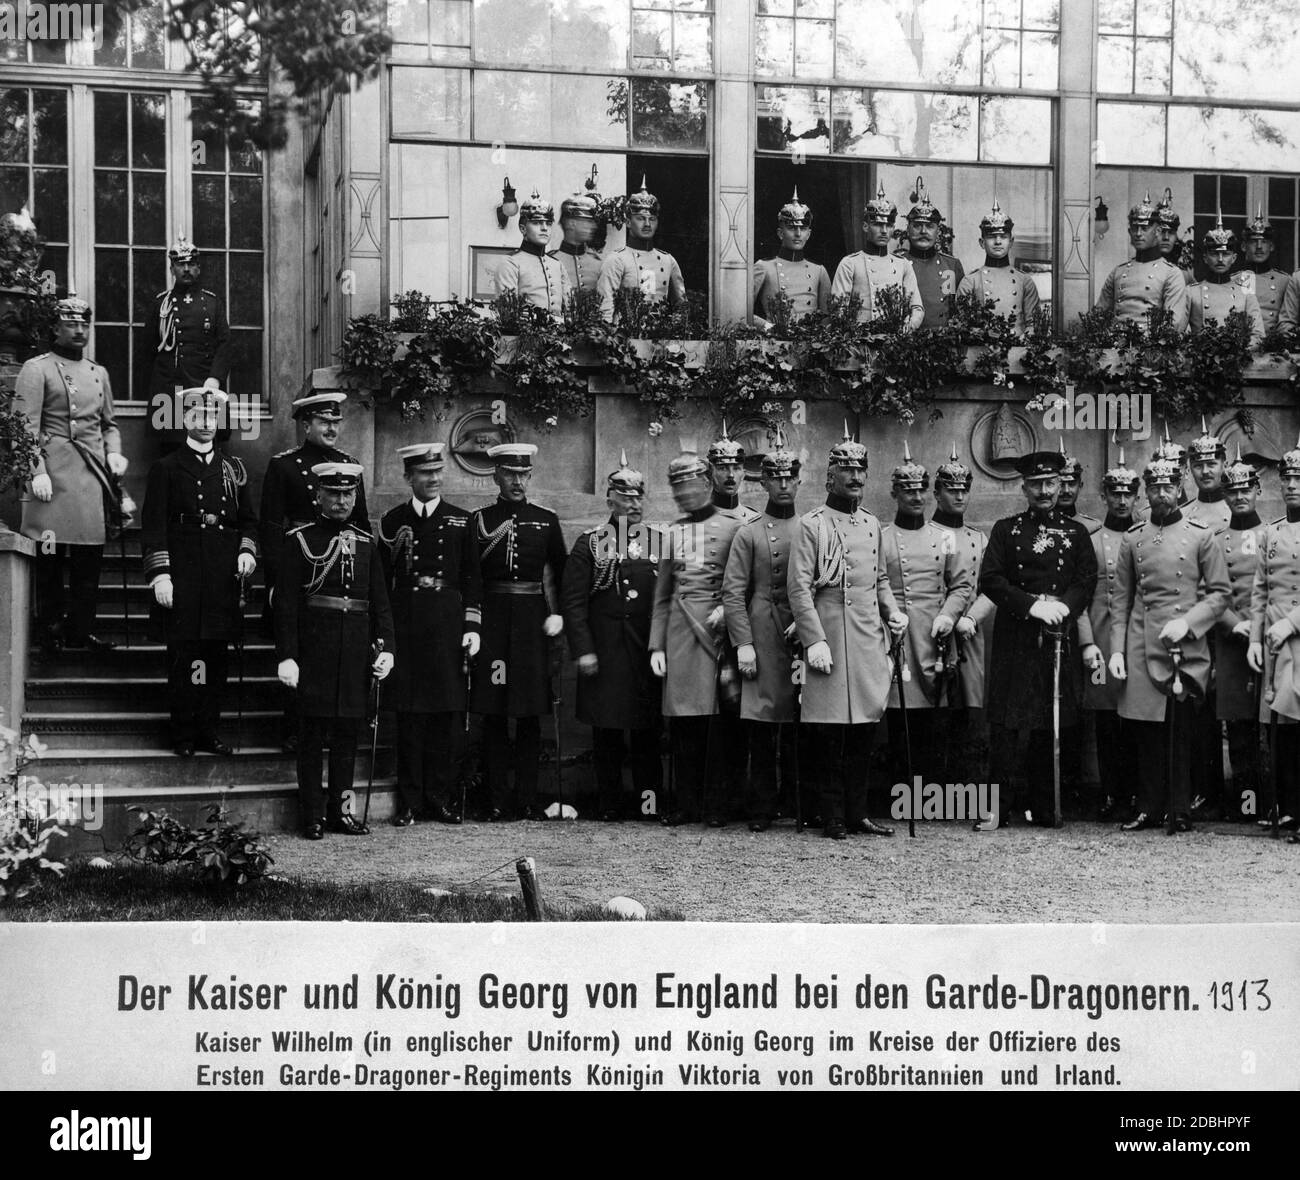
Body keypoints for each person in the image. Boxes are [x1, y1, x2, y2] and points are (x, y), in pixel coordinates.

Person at [787, 428, 907, 839]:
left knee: (864, 732)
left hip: (867, 639)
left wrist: (894, 614)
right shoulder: (813, 525)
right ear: (830, 476)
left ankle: (858, 813)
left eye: (861, 471)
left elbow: (880, 580)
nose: (855, 478)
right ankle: (831, 815)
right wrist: (813, 639)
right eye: (846, 470)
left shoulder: (873, 524)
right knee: (829, 731)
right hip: (831, 636)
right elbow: (799, 588)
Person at [275, 462, 395, 840]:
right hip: (315, 653)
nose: (341, 500)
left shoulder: (366, 543)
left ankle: (340, 814)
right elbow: (286, 606)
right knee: (311, 739)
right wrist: (287, 655)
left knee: (347, 739)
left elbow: (381, 603)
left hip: (355, 653)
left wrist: (387, 648)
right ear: (319, 496)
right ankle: (310, 815)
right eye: (334, 493)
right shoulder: (299, 541)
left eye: (348, 494)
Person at [978, 451, 1098, 829]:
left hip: (1057, 636)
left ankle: (1045, 806)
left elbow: (1085, 580)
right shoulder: (1005, 530)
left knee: (1052, 719)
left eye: (1050, 483)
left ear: (1061, 485)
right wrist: (1031, 606)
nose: (1044, 491)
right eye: (1036, 485)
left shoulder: (1076, 533)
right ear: (1024, 488)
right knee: (1006, 724)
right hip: (1017, 635)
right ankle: (996, 808)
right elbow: (992, 581)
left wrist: (1064, 607)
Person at [1110, 457, 1230, 833]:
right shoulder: (1133, 538)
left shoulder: (1200, 535)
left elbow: (1219, 595)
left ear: (1180, 489)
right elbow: (1120, 601)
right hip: (1141, 641)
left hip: (1183, 642)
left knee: (1181, 730)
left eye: (1168, 487)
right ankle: (1147, 806)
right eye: (1155, 488)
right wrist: (1116, 650)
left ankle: (1179, 808)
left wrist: (1188, 623)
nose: (1162, 494)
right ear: (1146, 492)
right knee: (1145, 730)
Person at [142, 388, 257, 758]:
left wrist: (246, 552)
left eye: (212, 416)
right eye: (198, 415)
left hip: (222, 578)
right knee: (184, 658)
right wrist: (161, 574)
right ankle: (184, 734)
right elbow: (154, 526)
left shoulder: (233, 470)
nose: (206, 422)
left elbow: (249, 523)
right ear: (185, 420)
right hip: (184, 577)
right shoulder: (167, 467)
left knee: (215, 659)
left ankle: (210, 731)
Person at [377, 443, 482, 827]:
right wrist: (384, 636)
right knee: (409, 720)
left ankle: (440, 798)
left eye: (438, 473)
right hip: (407, 628)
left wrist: (472, 626)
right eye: (425, 474)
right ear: (409, 477)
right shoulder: (391, 522)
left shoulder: (461, 520)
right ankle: (409, 801)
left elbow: (472, 579)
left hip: (446, 626)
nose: (434, 479)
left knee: (444, 719)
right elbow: (382, 582)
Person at [260, 391, 370, 750]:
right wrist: (275, 581)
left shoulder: (349, 466)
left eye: (336, 422)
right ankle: (296, 728)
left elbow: (362, 526)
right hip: (300, 566)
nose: (332, 428)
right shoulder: (285, 465)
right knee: (299, 649)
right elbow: (272, 527)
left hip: (340, 566)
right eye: (324, 422)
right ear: (306, 425)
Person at [17, 291, 126, 653]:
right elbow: (25, 427)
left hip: (90, 477)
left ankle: (80, 630)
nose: (79, 330)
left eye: (84, 324)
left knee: (88, 559)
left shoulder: (99, 373)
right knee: (49, 557)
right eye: (70, 324)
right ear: (55, 327)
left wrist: (114, 454)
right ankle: (49, 629)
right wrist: (37, 471)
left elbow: (109, 424)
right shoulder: (37, 368)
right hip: (53, 477)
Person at [561, 451, 663, 822]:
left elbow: (666, 600)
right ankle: (608, 804)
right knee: (607, 734)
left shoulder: (657, 541)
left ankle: (648, 804)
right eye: (625, 496)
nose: (633, 503)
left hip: (644, 649)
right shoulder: (591, 542)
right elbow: (573, 603)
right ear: (609, 499)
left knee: (648, 734)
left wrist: (662, 645)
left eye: (638, 496)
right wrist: (584, 650)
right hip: (605, 651)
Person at [469, 443, 568, 821]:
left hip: (531, 626)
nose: (516, 481)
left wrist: (557, 615)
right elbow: (473, 578)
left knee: (528, 716)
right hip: (493, 625)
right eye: (509, 474)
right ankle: (496, 799)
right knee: (493, 714)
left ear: (530, 475)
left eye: (523, 474)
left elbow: (562, 574)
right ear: (495, 475)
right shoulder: (479, 520)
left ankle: (527, 798)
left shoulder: (546, 519)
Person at [649, 453, 748, 826]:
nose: (685, 496)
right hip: (681, 634)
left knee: (719, 726)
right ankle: (687, 804)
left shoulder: (735, 526)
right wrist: (657, 645)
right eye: (679, 491)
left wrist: (727, 610)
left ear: (706, 485)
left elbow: (744, 583)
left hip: (719, 634)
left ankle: (717, 805)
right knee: (685, 725)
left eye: (691, 487)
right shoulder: (673, 533)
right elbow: (662, 595)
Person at [722, 431, 803, 831]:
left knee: (799, 722)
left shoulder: (813, 528)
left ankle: (795, 800)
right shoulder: (750, 532)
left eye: (790, 478)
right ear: (764, 483)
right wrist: (744, 645)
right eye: (776, 478)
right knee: (760, 724)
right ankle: (761, 807)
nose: (784, 485)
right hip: (762, 631)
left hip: (800, 632)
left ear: (799, 481)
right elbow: (733, 594)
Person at [880, 443, 973, 792]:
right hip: (896, 633)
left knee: (934, 718)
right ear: (894, 493)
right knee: (898, 716)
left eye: (920, 489)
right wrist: (891, 616)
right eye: (907, 490)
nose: (916, 497)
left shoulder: (944, 538)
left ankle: (930, 794)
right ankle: (899, 792)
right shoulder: (883, 537)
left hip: (934, 635)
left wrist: (949, 615)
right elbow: (877, 582)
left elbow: (961, 584)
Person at [1076, 447, 1142, 820]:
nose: (1120, 500)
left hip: (1134, 642)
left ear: (1136, 497)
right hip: (1101, 642)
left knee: (1133, 716)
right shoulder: (1092, 539)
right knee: (1104, 718)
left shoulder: (1143, 537)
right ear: (1103, 495)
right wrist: (1088, 642)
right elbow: (1082, 599)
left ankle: (1135, 794)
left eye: (1127, 493)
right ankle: (1110, 792)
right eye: (1114, 493)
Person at [929, 445, 996, 781]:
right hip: (932, 633)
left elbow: (991, 587)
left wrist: (972, 618)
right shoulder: (925, 536)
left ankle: (966, 787)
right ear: (936, 493)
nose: (958, 496)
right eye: (950, 490)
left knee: (969, 713)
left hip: (969, 637)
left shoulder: (978, 539)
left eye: (963, 490)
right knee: (931, 712)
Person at [1248, 440, 1300, 839]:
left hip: (1295, 633)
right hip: (1275, 642)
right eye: (1288, 478)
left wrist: (1293, 623)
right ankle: (1287, 808)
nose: (1293, 485)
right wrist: (1254, 639)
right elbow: (1260, 591)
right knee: (1281, 727)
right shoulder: (1271, 533)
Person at [1215, 449, 1266, 823]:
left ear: (1258, 489)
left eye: (1246, 489)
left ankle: (1278, 800)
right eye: (1232, 491)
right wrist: (1236, 625)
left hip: (1271, 641)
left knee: (1275, 723)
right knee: (1239, 727)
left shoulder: (1275, 533)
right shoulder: (1216, 540)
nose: (1239, 497)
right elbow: (1211, 593)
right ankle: (1247, 803)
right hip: (1233, 641)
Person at [147, 234, 230, 439]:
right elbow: (148, 351)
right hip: (170, 389)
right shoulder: (160, 304)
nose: (186, 269)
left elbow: (225, 344)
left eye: (191, 264)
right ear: (172, 269)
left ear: (198, 268)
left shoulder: (212, 303)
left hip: (205, 385)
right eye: (180, 264)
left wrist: (215, 378)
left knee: (209, 444)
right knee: (170, 446)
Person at [830, 183, 923, 330]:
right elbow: (839, 308)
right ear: (866, 226)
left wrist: (908, 327)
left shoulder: (903, 264)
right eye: (878, 225)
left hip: (894, 341)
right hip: (860, 341)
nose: (884, 231)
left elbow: (917, 307)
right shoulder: (850, 264)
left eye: (889, 225)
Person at [1094, 191, 1189, 332]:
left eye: (1144, 228)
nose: (1138, 234)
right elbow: (1098, 317)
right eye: (1134, 228)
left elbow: (1174, 324)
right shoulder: (1118, 272)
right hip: (1114, 346)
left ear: (1157, 231)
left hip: (1151, 349)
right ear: (1129, 232)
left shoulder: (1171, 273)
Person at [597, 176, 687, 323]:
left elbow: (681, 306)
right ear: (627, 222)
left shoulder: (668, 260)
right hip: (625, 339)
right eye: (640, 218)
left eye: (652, 219)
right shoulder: (617, 260)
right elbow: (605, 310)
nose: (647, 224)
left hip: (660, 339)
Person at [956, 200, 1040, 333]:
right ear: (982, 243)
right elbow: (963, 324)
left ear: (1011, 242)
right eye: (991, 237)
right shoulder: (970, 282)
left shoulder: (1024, 281)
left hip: (1019, 348)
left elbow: (1032, 324)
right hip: (982, 349)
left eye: (1003, 236)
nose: (998, 242)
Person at [752, 188, 831, 329]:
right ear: (780, 233)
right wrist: (768, 328)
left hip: (811, 342)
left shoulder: (818, 270)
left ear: (809, 234)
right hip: (776, 341)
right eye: (792, 228)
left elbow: (826, 318)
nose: (798, 234)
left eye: (803, 229)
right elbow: (741, 311)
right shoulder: (764, 266)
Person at [1187, 214, 1264, 348]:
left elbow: (1258, 335)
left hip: (1237, 361)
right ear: (1205, 258)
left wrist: (1240, 351)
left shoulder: (1245, 293)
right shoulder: (1191, 292)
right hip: (1201, 361)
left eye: (1226, 254)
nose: (1221, 259)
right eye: (1215, 254)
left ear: (1233, 258)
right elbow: (1182, 333)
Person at [897, 176, 964, 329]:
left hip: (942, 340)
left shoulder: (951, 266)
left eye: (930, 226)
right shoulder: (898, 264)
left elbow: (958, 309)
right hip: (907, 341)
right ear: (908, 229)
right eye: (917, 225)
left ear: (938, 231)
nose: (923, 231)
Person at [494, 189, 570, 318]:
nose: (545, 228)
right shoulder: (511, 263)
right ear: (523, 228)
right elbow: (508, 314)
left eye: (548, 223)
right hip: (526, 335)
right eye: (536, 223)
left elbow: (569, 309)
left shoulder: (557, 265)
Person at [1239, 206, 1291, 333]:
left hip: (1275, 346)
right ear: (1244, 246)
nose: (1259, 247)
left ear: (1272, 246)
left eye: (1264, 242)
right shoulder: (1236, 280)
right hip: (1245, 346)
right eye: (1253, 242)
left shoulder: (1285, 281)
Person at [549, 189, 604, 296]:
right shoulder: (551, 262)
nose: (594, 226)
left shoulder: (598, 263)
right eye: (588, 221)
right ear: (571, 223)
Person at [1057, 444, 1103, 534]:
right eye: (1061, 484)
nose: (1066, 490)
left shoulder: (1092, 527)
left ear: (1080, 486)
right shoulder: (1038, 525)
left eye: (1071, 484)